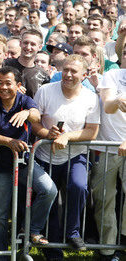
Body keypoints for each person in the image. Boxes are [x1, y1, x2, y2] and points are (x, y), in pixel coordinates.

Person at [0, 66, 57, 258]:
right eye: (0, 83)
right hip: (0, 166)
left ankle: (31, 230)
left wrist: (27, 113)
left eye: (8, 83)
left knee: (49, 190)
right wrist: (8, 142)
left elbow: (37, 115)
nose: (3, 87)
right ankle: (0, 256)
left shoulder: (25, 100)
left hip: (24, 162)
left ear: (18, 85)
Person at [32, 54, 101, 258]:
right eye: (65, 70)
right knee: (51, 201)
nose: (68, 75)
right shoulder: (45, 90)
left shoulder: (90, 97)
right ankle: (53, 252)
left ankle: (73, 232)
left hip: (75, 155)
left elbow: (92, 132)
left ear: (85, 75)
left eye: (74, 71)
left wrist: (68, 136)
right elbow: (34, 122)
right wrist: (47, 134)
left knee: (79, 186)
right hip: (46, 155)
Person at [90, 46, 126, 260]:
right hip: (107, 147)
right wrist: (118, 101)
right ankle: (107, 249)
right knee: (104, 198)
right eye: (125, 53)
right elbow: (108, 106)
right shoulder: (112, 75)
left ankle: (123, 239)